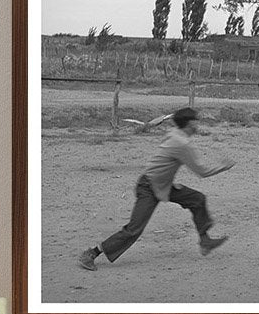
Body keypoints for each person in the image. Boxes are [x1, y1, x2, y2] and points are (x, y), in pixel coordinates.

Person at [78, 107, 230, 270]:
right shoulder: (182, 143)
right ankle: (91, 253)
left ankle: (205, 241)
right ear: (188, 124)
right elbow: (202, 172)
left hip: (162, 185)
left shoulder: (176, 134)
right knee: (133, 230)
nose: (197, 126)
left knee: (197, 199)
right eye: (195, 122)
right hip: (149, 187)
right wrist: (223, 166)